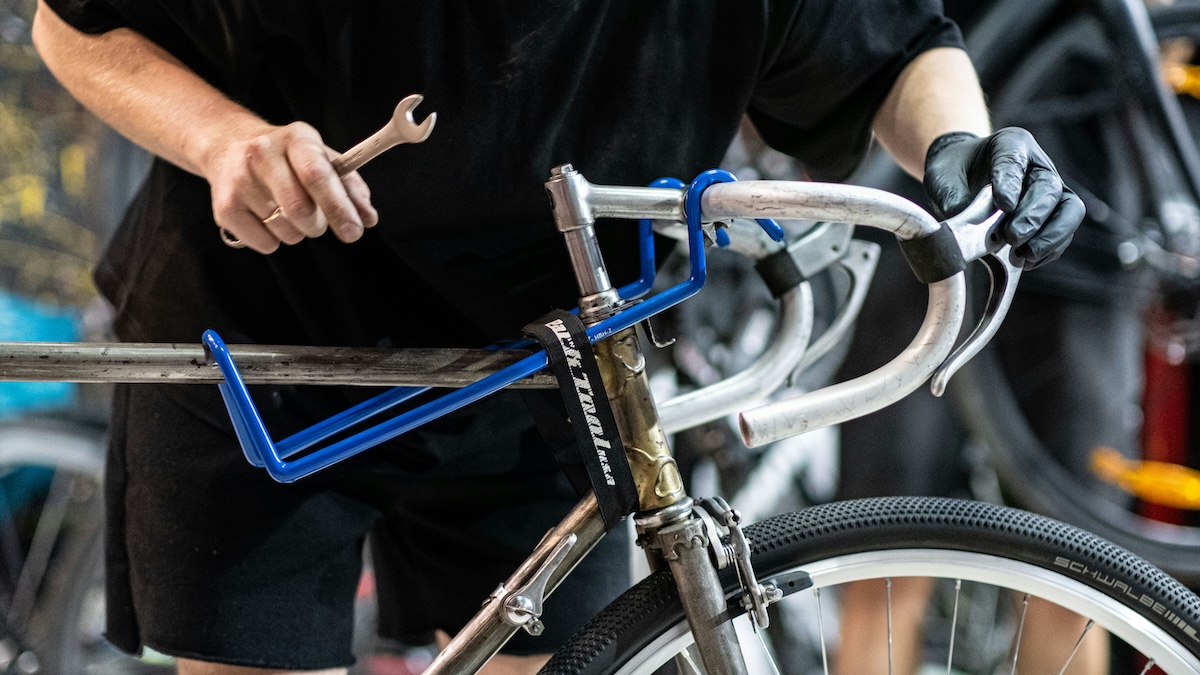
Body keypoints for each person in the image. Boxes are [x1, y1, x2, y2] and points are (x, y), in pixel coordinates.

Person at [30, 1, 1084, 674]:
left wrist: (964, 144)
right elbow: (72, 22)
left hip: (550, 364)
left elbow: (892, 48)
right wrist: (226, 140)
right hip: (267, 350)